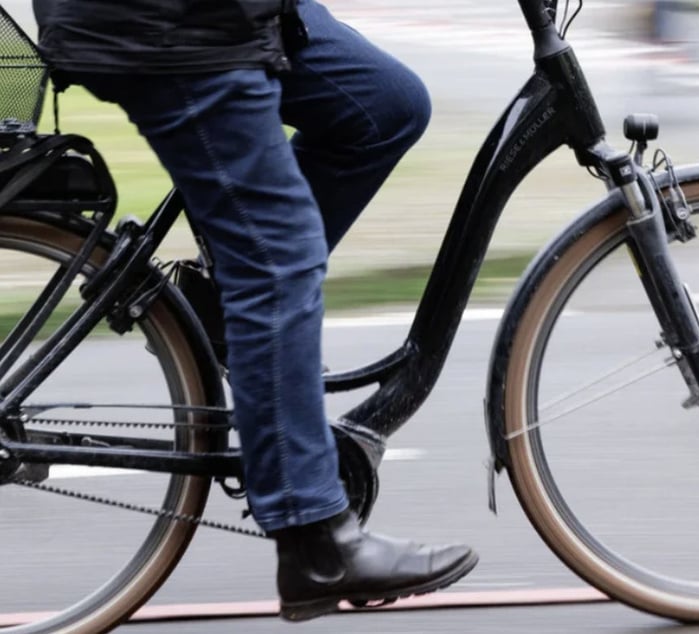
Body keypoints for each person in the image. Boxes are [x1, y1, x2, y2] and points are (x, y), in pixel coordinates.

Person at [32, 0, 478, 622]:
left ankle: (225, 303)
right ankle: (316, 539)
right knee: (277, 257)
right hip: (169, 22)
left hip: (237, 15)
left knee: (386, 107)